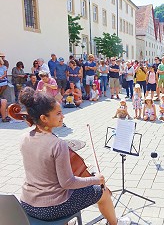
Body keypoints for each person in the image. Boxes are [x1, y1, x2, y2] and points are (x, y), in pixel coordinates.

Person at [17, 87, 131, 225]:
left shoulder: (24, 137)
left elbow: (45, 169)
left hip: (27, 204)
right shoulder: (58, 145)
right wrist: (96, 179)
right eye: (58, 114)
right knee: (103, 192)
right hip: (51, 208)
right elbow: (67, 183)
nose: (63, 116)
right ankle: (115, 223)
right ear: (43, 118)